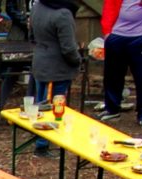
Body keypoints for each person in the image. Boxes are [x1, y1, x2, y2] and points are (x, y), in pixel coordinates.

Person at [31, 0, 82, 155]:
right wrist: (78, 60)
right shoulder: (63, 14)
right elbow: (68, 48)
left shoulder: (37, 6)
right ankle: (42, 144)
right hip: (56, 68)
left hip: (40, 61)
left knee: (41, 104)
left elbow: (31, 35)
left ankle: (41, 140)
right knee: (54, 108)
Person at [99, 0, 142, 125]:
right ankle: (112, 109)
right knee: (112, 77)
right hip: (116, 35)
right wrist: (107, 31)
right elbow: (109, 6)